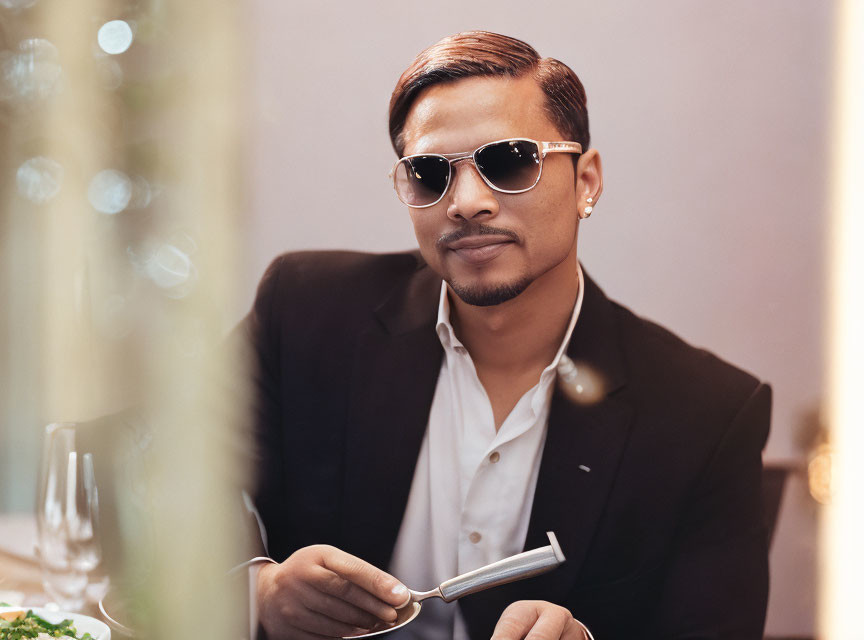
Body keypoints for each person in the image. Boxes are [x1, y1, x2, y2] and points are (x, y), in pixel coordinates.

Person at [246, 31, 771, 640]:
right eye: (429, 173)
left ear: (586, 182)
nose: (466, 203)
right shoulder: (308, 311)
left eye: (510, 160)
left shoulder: (705, 414)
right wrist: (256, 586)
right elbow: (156, 473)